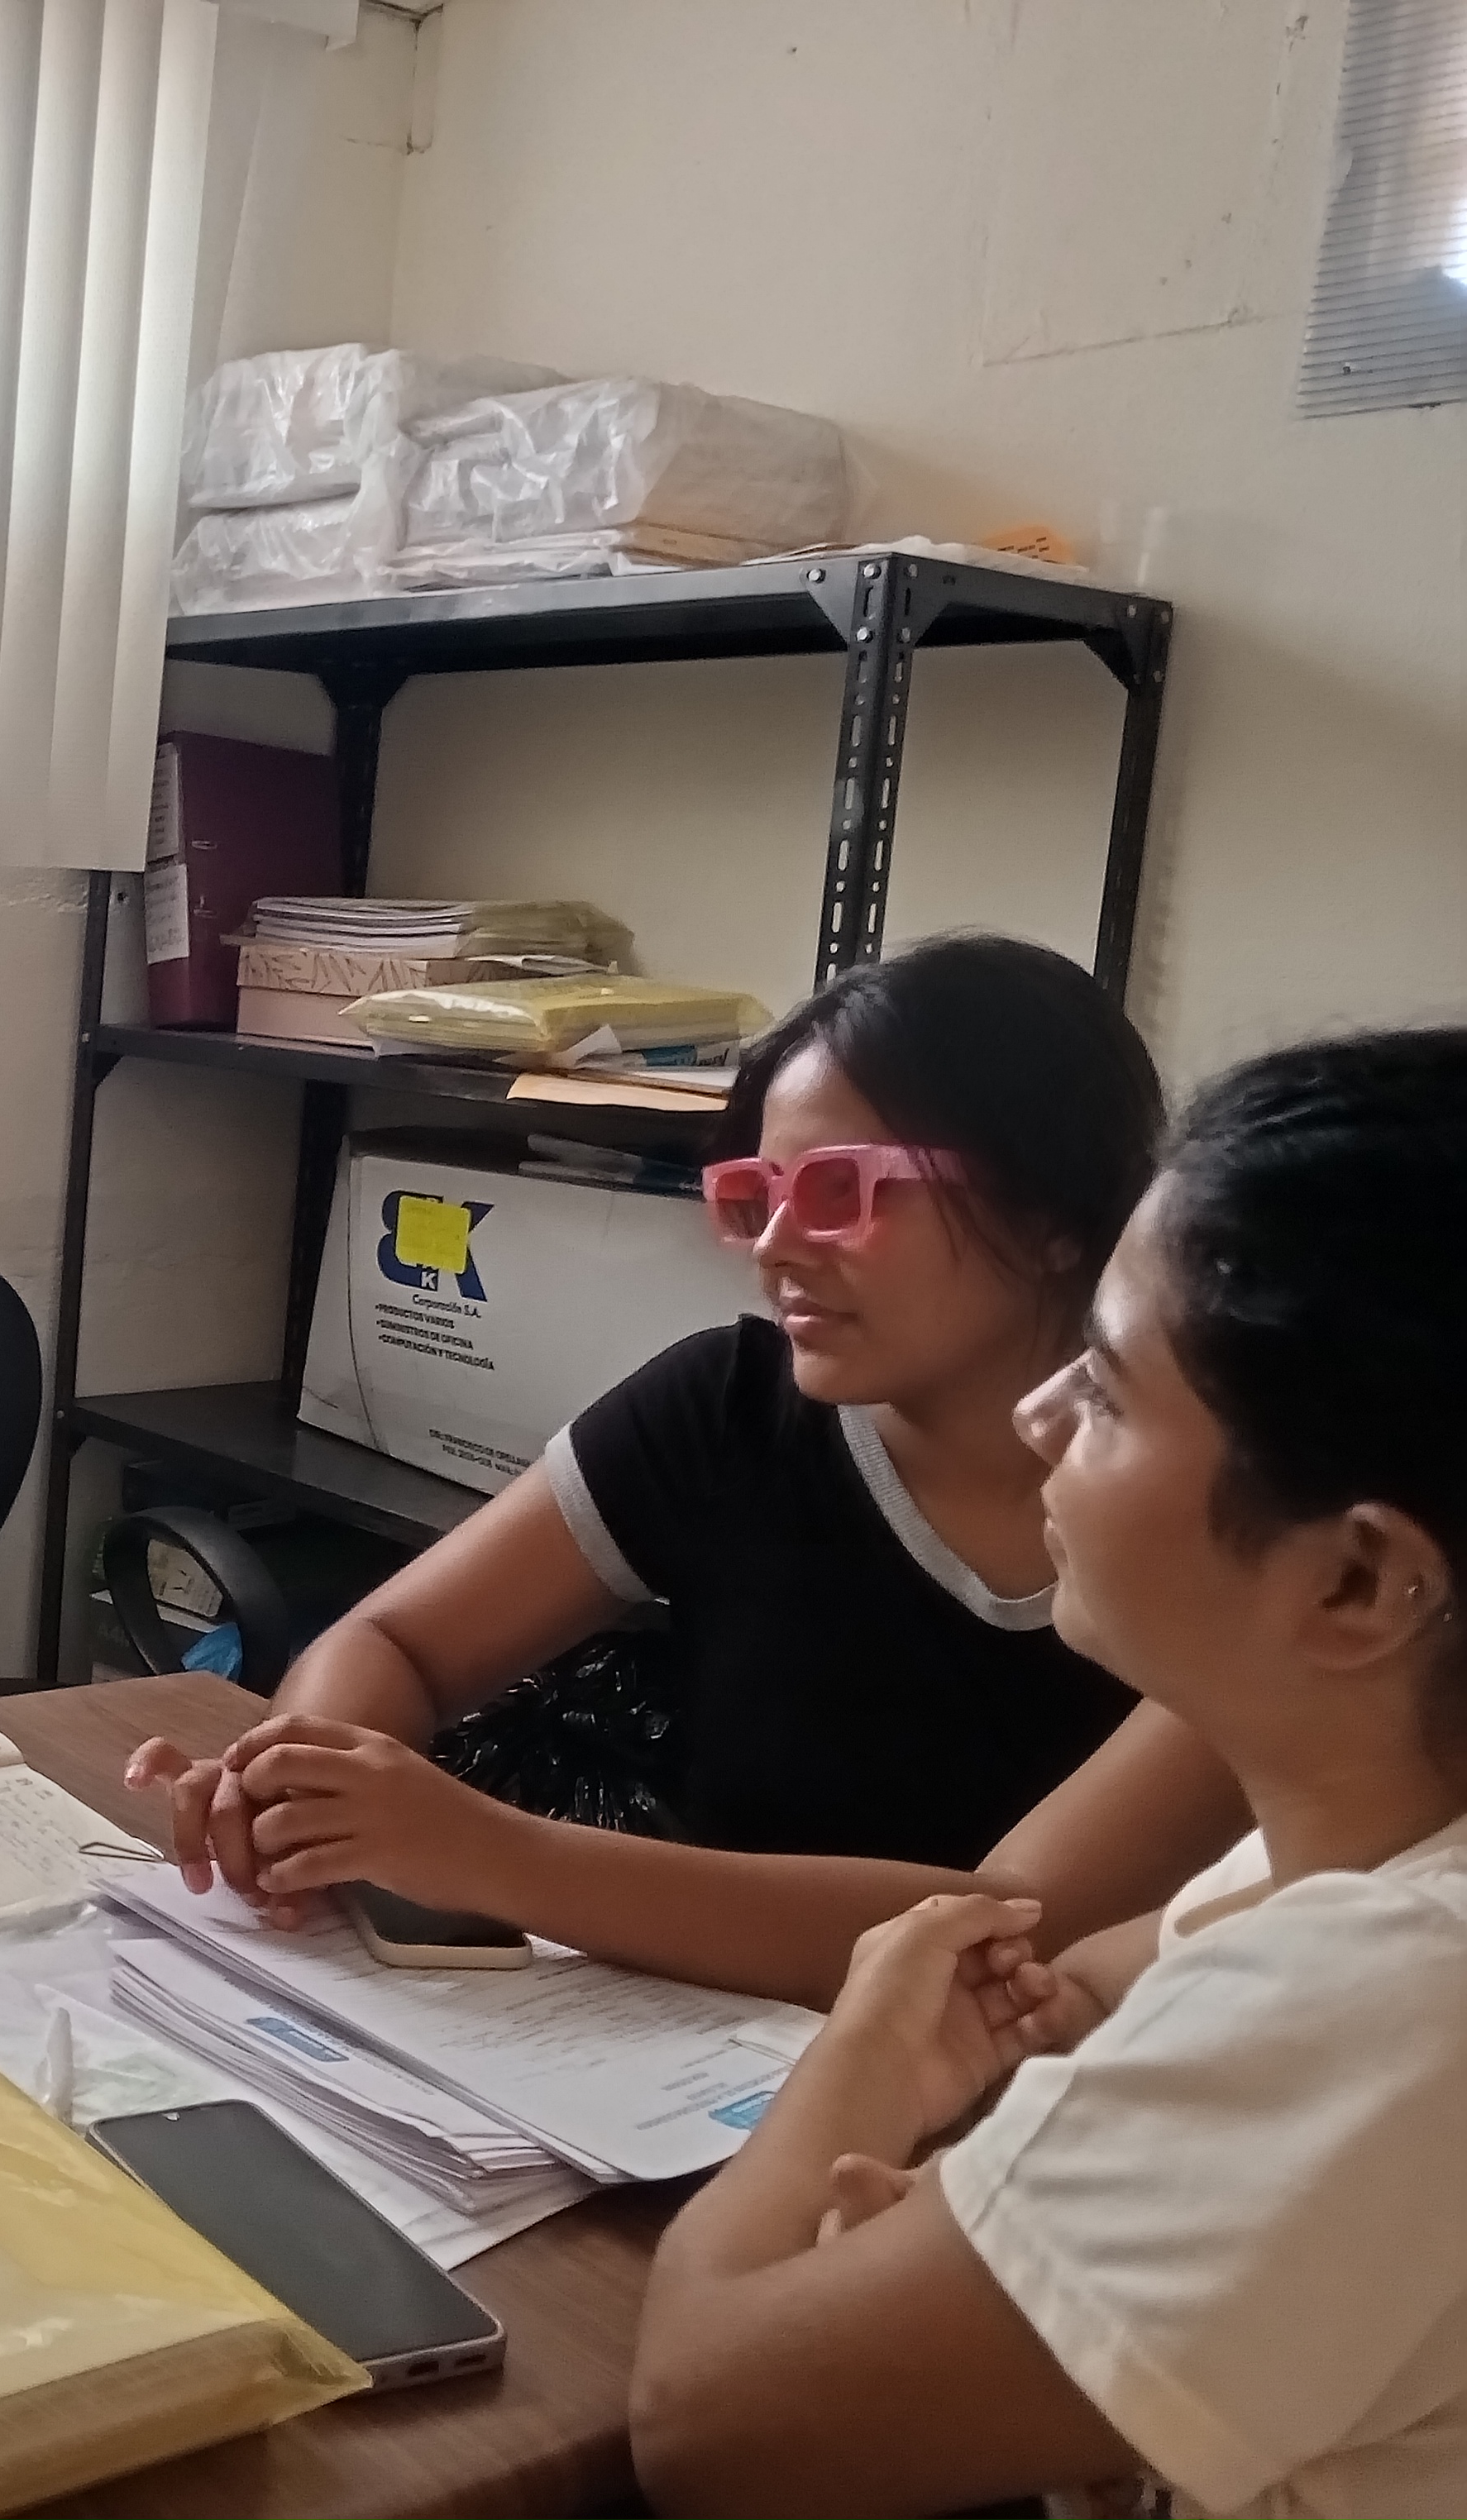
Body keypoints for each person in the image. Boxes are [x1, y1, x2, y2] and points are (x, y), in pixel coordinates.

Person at [628, 1026, 1467, 2518]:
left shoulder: (1393, 1996)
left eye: (1113, 1389)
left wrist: (865, 2052)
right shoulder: (1363, 1843)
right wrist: (999, 2234)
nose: (1041, 1416)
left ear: (1354, 1582)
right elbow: (1072, 1991)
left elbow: (704, 2419)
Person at [129, 934, 1250, 2003]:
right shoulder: (724, 1410)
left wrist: (484, 1852)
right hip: (680, 2058)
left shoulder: (1228, 1525)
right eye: (758, 1197)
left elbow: (1006, 1927)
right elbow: (396, 1642)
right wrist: (309, 1790)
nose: (775, 1248)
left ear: (1054, 1215)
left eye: (841, 1192)